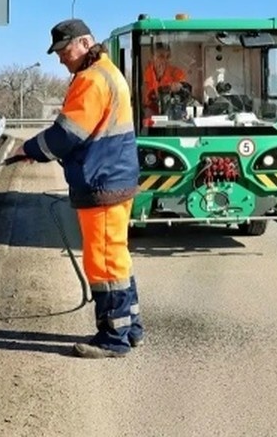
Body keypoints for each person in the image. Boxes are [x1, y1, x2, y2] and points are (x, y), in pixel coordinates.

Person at [12, 18, 144, 358]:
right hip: (116, 178)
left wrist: (28, 149)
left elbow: (67, 134)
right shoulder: (107, 71)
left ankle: (113, 338)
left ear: (85, 43)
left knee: (103, 261)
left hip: (102, 180)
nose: (60, 58)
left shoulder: (90, 79)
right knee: (116, 256)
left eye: (63, 50)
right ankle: (130, 328)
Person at [143, 42, 187, 116]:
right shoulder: (145, 74)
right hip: (152, 115)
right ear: (152, 57)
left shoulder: (177, 73)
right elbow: (146, 100)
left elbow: (184, 91)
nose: (165, 60)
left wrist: (178, 87)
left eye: (168, 57)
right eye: (161, 56)